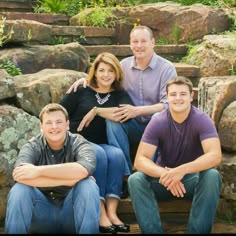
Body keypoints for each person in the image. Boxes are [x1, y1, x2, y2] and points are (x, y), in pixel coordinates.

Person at [66, 25, 177, 198]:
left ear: (153, 43)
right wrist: (86, 79)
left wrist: (137, 111)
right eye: (135, 41)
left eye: (143, 41)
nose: (139, 45)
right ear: (130, 44)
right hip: (131, 125)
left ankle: (149, 176)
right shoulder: (124, 66)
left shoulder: (166, 68)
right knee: (114, 119)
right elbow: (105, 77)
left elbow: (169, 104)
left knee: (157, 117)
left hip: (158, 127)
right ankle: (126, 176)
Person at [128, 77, 222, 234]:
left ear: (191, 96)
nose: (178, 98)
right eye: (173, 94)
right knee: (135, 179)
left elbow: (215, 156)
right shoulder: (158, 121)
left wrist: (182, 170)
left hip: (192, 181)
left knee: (212, 175)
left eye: (183, 94)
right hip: (164, 181)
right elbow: (140, 160)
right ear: (167, 97)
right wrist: (168, 174)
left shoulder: (202, 120)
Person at [60, 52, 132, 233]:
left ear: (117, 74)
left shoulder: (119, 94)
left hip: (103, 142)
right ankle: (101, 214)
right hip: (79, 140)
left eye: (110, 71)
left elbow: (122, 113)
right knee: (98, 154)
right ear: (95, 72)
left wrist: (97, 111)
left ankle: (112, 212)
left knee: (116, 154)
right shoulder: (82, 89)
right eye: (101, 70)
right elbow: (62, 111)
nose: (106, 74)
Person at [4, 103, 100, 234]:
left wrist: (37, 171)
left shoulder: (80, 142)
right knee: (19, 190)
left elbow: (83, 170)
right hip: (42, 215)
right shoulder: (32, 146)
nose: (54, 127)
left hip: (71, 214)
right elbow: (20, 176)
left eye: (59, 122)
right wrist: (72, 178)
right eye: (48, 123)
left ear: (67, 125)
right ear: (41, 126)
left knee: (88, 186)